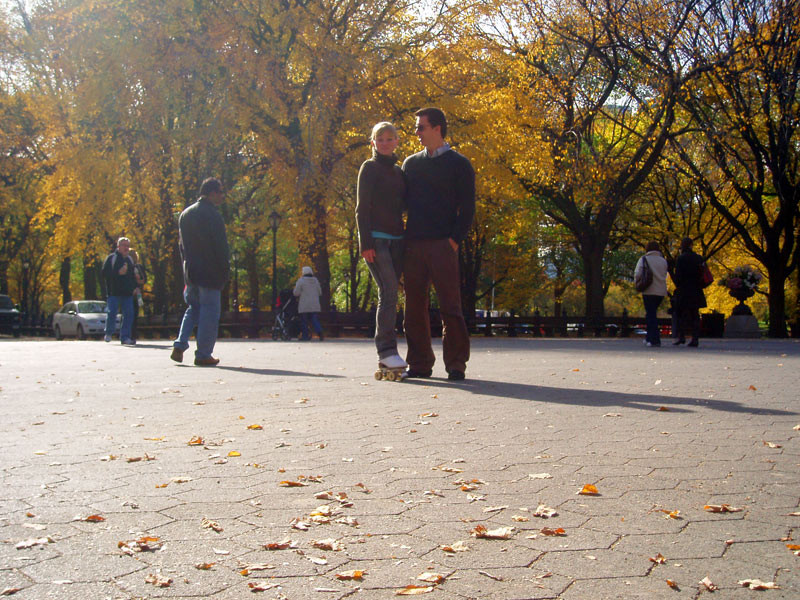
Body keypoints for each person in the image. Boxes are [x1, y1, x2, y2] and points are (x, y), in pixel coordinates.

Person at [401, 107, 475, 380]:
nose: (416, 133)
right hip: (414, 245)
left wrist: (454, 241)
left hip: (443, 245)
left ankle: (456, 364)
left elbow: (467, 209)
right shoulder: (411, 164)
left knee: (451, 307)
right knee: (413, 308)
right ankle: (419, 363)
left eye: (421, 127)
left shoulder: (459, 164)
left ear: (437, 128)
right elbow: (401, 204)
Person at [356, 121, 407, 372]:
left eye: (390, 139)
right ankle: (386, 351)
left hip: (398, 241)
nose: (385, 143)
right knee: (388, 292)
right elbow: (361, 208)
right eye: (380, 139)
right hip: (376, 240)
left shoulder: (399, 172)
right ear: (373, 142)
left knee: (391, 294)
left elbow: (404, 205)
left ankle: (391, 353)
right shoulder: (369, 168)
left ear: (397, 141)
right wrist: (365, 243)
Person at [171, 177, 230, 366]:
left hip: (191, 270)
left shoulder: (185, 214)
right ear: (212, 193)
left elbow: (182, 247)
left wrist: (185, 269)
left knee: (193, 308)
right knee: (210, 311)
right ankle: (203, 354)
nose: (222, 196)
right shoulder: (213, 215)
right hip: (210, 270)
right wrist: (224, 269)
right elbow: (220, 246)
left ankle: (180, 344)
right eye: (220, 192)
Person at [672, 236, 706, 347]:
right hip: (696, 289)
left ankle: (681, 336)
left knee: (680, 313)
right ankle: (695, 338)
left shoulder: (681, 259)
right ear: (691, 245)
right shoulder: (698, 258)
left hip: (684, 289)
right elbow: (703, 274)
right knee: (694, 314)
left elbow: (678, 276)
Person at [102, 237, 137, 345]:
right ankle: (108, 333)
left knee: (129, 314)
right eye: (124, 245)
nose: (126, 248)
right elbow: (104, 274)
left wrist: (135, 287)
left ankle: (125, 337)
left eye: (127, 245)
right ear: (118, 246)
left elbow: (132, 276)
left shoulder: (130, 260)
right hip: (114, 292)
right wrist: (118, 273)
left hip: (127, 293)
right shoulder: (111, 258)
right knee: (112, 312)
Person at [634, 241, 669, 347]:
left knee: (651, 314)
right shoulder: (663, 261)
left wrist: (637, 284)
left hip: (648, 290)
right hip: (661, 291)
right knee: (651, 313)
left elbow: (638, 273)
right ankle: (649, 337)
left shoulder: (644, 259)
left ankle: (654, 339)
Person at [293, 266, 324, 341]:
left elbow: (296, 293)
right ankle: (319, 332)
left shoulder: (301, 281)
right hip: (314, 304)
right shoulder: (316, 281)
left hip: (304, 304)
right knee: (314, 319)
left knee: (304, 321)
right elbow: (320, 292)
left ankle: (305, 336)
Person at [129, 249, 147, 342]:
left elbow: (144, 278)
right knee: (129, 313)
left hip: (138, 292)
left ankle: (133, 335)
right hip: (129, 292)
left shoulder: (139, 267)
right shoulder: (128, 266)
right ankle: (129, 334)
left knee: (135, 313)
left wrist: (140, 282)